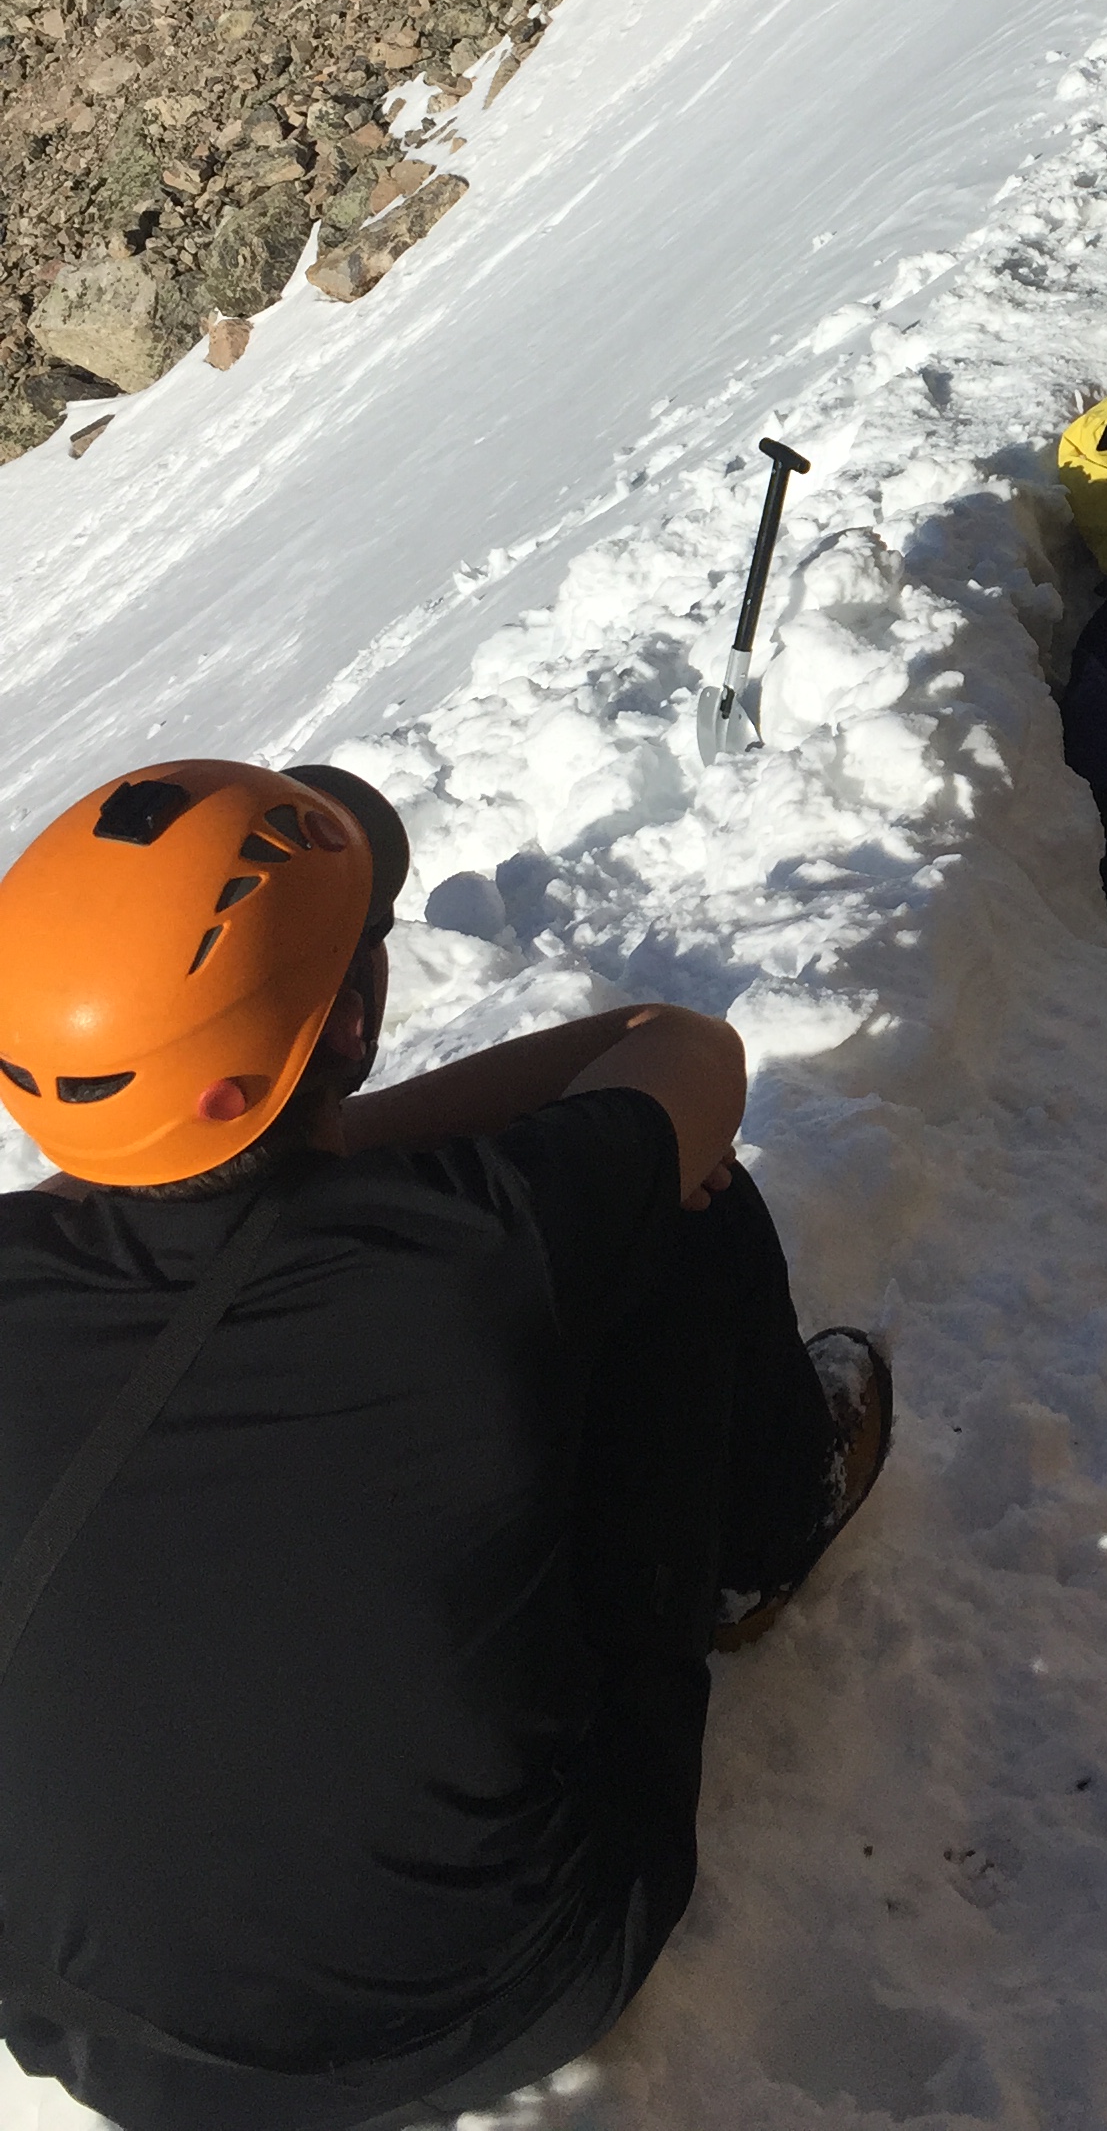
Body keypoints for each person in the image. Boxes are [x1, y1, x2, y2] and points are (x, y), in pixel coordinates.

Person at [0, 755, 890, 2131]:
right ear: (349, 1019)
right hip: (494, 1991)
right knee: (687, 1208)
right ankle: (780, 1515)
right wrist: (367, 1151)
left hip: (95, 2036)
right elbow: (683, 1050)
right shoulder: (467, 1243)